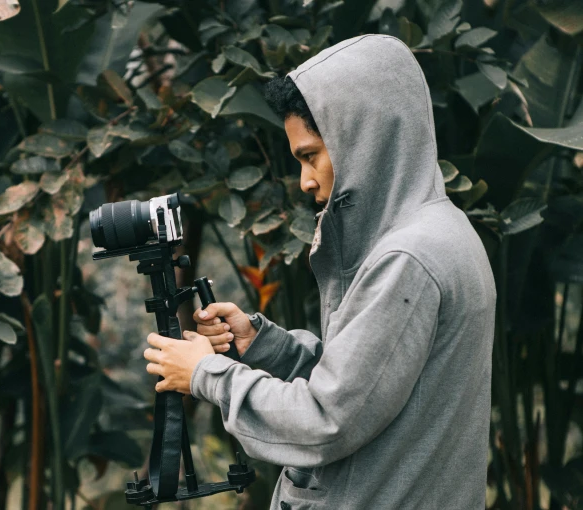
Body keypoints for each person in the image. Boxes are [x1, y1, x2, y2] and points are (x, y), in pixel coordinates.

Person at [142, 34, 496, 509]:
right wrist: (261, 345)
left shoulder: (407, 258)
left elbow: (327, 420)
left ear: (363, 139)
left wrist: (207, 374)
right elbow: (368, 385)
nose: (306, 180)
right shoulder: (444, 231)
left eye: (311, 156)